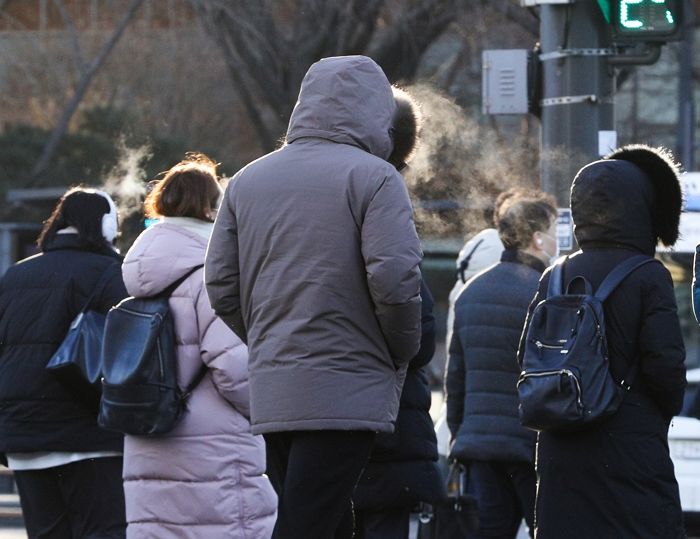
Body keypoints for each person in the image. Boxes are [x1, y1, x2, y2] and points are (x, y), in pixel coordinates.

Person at [205, 55, 423, 539]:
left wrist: (266, 335)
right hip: (348, 380)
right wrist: (397, 347)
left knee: (319, 514)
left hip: (276, 382)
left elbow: (220, 283)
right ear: (375, 112)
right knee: (312, 520)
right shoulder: (375, 177)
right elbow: (395, 280)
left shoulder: (246, 180)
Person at [518, 144, 686, 539]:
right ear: (641, 208)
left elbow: (525, 359)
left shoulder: (554, 276)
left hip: (560, 451)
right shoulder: (648, 276)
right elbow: (666, 367)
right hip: (630, 451)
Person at [120, 155, 276, 539]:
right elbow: (233, 368)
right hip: (214, 446)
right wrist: (269, 412)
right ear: (208, 208)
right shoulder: (209, 272)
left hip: (149, 430)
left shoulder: (141, 268)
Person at [0, 187, 128, 538]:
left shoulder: (14, 276)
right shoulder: (110, 273)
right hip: (89, 437)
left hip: (24, 438)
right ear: (106, 226)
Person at [353, 89, 444, 539]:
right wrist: (402, 352)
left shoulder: (270, 187)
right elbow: (418, 330)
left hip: (302, 414)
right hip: (384, 421)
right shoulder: (384, 200)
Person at [445, 188, 557, 539]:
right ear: (537, 238)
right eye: (554, 231)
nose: (557, 241)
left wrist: (461, 433)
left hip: (480, 446)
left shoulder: (471, 292)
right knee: (548, 528)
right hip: (531, 445)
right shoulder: (547, 293)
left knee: (491, 530)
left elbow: (456, 380)